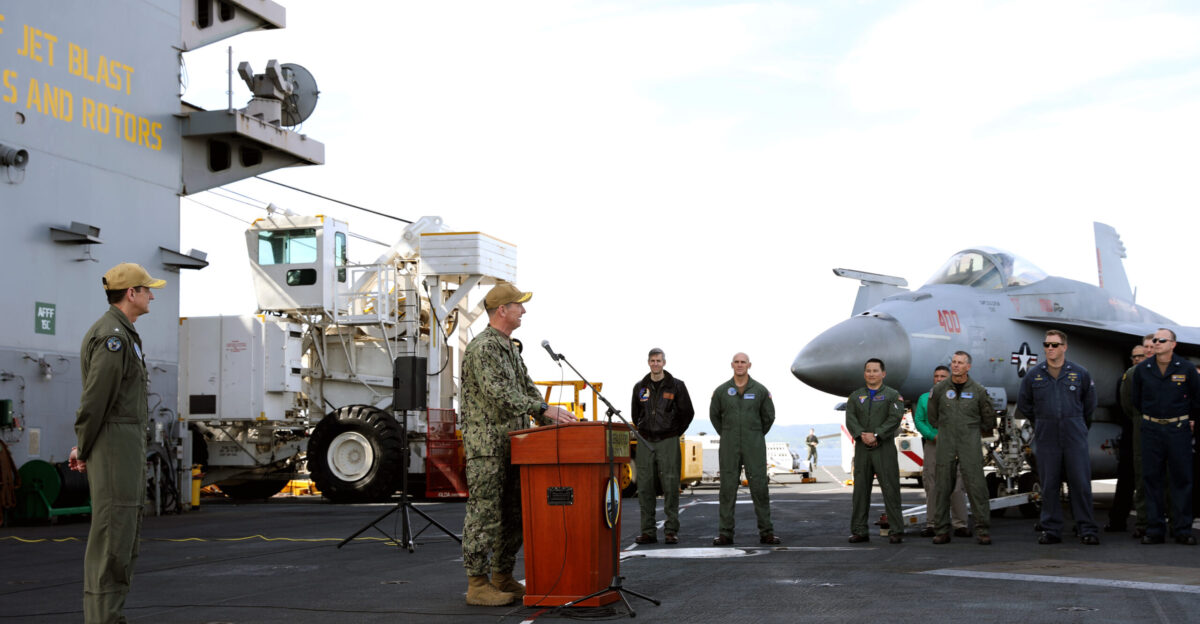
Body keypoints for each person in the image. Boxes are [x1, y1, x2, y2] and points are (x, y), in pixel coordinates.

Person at [459, 283, 576, 605]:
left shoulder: (509, 347)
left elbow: (528, 390)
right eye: (518, 306)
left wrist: (552, 417)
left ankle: (502, 576)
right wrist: (541, 410)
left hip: (516, 445)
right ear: (502, 310)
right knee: (485, 514)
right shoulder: (483, 348)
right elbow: (498, 393)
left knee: (514, 514)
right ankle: (477, 584)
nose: (523, 311)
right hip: (488, 445)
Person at [68, 263, 165, 623]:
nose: (152, 295)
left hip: (119, 447)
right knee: (112, 540)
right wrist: (85, 444)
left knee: (121, 538)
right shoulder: (114, 338)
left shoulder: (123, 333)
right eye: (148, 289)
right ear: (131, 293)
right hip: (113, 449)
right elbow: (95, 401)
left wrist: (84, 446)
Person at [1017, 330, 1099, 545]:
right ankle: (1051, 529)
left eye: (1054, 344)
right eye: (1046, 344)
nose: (1050, 348)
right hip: (1047, 434)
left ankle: (1087, 529)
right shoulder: (1033, 375)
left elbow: (1089, 406)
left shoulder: (1080, 373)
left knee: (1080, 483)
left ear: (1064, 347)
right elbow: (1025, 404)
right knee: (1049, 483)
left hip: (1074, 433)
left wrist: (1078, 425)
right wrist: (1043, 421)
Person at [1131, 327, 1200, 545]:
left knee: (1181, 480)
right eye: (1155, 339)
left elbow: (1197, 399)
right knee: (1152, 479)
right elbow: (1136, 400)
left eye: (1162, 340)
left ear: (1173, 344)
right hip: (1151, 430)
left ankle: (1182, 529)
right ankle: (1154, 529)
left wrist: (1189, 420)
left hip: (1177, 430)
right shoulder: (1143, 369)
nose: (1157, 343)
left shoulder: (1187, 369)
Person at [710, 352, 781, 545]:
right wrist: (727, 433)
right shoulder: (721, 391)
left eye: (743, 362)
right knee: (727, 489)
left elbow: (769, 417)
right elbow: (715, 416)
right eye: (737, 362)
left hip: (754, 445)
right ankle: (725, 533)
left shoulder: (760, 390)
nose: (740, 365)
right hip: (729, 445)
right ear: (731, 364)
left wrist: (755, 434)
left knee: (759, 488)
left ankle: (766, 532)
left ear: (749, 365)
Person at [927, 351, 994, 545]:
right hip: (946, 438)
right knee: (942, 485)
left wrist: (973, 430)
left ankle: (982, 530)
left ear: (968, 367)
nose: (955, 366)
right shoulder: (939, 389)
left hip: (969, 438)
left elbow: (988, 417)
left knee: (976, 485)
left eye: (960, 363)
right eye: (953, 362)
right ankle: (941, 530)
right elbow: (933, 416)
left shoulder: (978, 391)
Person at [630, 348, 695, 545]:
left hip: (668, 440)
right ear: (648, 363)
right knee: (645, 486)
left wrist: (674, 431)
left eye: (659, 360)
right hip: (646, 440)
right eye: (652, 361)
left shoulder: (676, 386)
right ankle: (648, 531)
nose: (655, 364)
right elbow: (635, 414)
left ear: (664, 363)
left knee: (670, 485)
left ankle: (671, 531)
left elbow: (687, 413)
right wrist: (645, 429)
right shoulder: (640, 387)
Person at [844, 358, 906, 544]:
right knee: (860, 491)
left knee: (891, 489)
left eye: (875, 370)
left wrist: (877, 435)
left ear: (883, 374)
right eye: (868, 370)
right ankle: (859, 531)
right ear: (864, 374)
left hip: (884, 447)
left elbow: (895, 418)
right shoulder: (855, 396)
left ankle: (896, 530)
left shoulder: (892, 395)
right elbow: (851, 418)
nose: (871, 374)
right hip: (862, 448)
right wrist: (861, 435)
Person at [912, 365, 969, 538]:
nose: (939, 379)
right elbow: (919, 420)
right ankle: (932, 523)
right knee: (932, 485)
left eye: (943, 376)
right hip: (933, 444)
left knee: (957, 486)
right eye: (936, 376)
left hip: (955, 445)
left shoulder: (958, 397)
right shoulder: (924, 399)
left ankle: (960, 524)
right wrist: (931, 435)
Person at [1106, 338, 1151, 534]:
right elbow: (1122, 407)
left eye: (1142, 356)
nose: (1138, 359)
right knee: (1126, 479)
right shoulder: (1126, 379)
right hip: (1131, 434)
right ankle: (1118, 521)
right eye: (1135, 357)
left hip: (1155, 434)